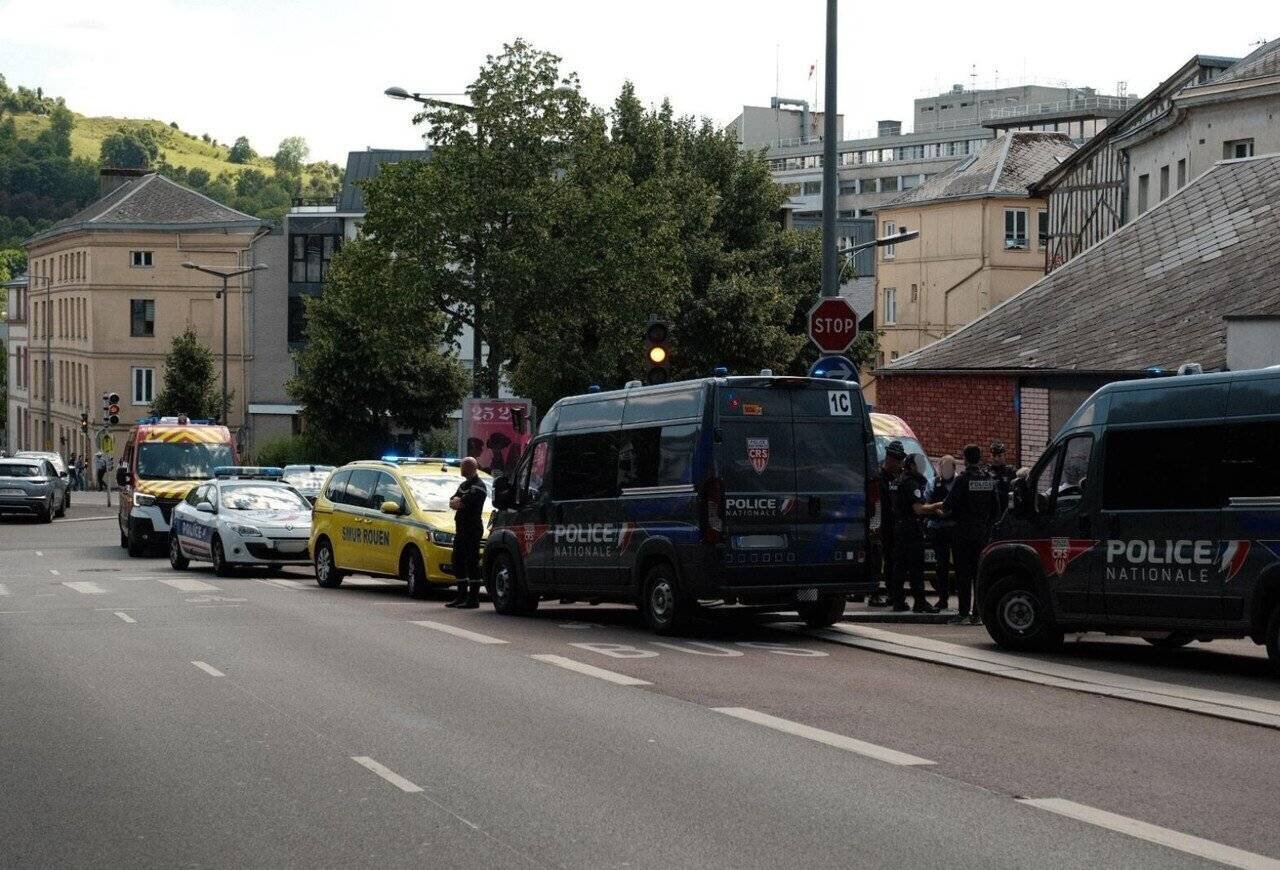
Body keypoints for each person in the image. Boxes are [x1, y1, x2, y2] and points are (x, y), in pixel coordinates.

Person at [943, 444, 999, 624]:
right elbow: (996, 508)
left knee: (963, 575)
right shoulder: (988, 479)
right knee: (978, 574)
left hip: (963, 533)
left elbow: (948, 504)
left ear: (965, 459)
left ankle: (963, 613)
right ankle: (978, 613)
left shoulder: (962, 480)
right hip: (982, 533)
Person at [890, 453, 943, 614]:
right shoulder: (911, 483)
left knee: (899, 566)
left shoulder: (899, 479)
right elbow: (919, 509)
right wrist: (937, 506)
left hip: (899, 527)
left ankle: (898, 601)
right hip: (911, 529)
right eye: (919, 464)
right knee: (916, 567)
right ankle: (920, 602)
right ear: (912, 466)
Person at [446, 457, 488, 609]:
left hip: (472, 528)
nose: (461, 469)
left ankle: (473, 599)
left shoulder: (479, 486)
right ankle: (461, 595)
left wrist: (459, 501)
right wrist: (457, 501)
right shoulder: (464, 485)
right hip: (461, 528)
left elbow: (464, 503)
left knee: (472, 562)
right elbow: (452, 501)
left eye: (464, 466)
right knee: (457, 560)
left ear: (471, 467)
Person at [871, 441, 907, 608]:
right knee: (878, 559)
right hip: (880, 523)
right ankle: (875, 593)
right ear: (890, 459)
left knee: (893, 560)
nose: (900, 464)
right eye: (897, 460)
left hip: (895, 524)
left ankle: (892, 593)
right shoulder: (879, 477)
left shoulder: (898, 477)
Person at [927, 455, 957, 611]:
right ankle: (942, 599)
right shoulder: (933, 482)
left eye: (948, 467)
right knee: (941, 565)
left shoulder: (959, 482)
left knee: (959, 565)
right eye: (942, 467)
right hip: (937, 527)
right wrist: (936, 510)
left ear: (954, 468)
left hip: (955, 528)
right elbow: (926, 502)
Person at [988, 441, 1016, 516]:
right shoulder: (986, 473)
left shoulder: (1010, 471)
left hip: (1006, 511)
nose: (997, 458)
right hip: (992, 512)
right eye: (994, 456)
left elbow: (1012, 493)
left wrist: (1010, 510)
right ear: (990, 456)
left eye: (1000, 455)